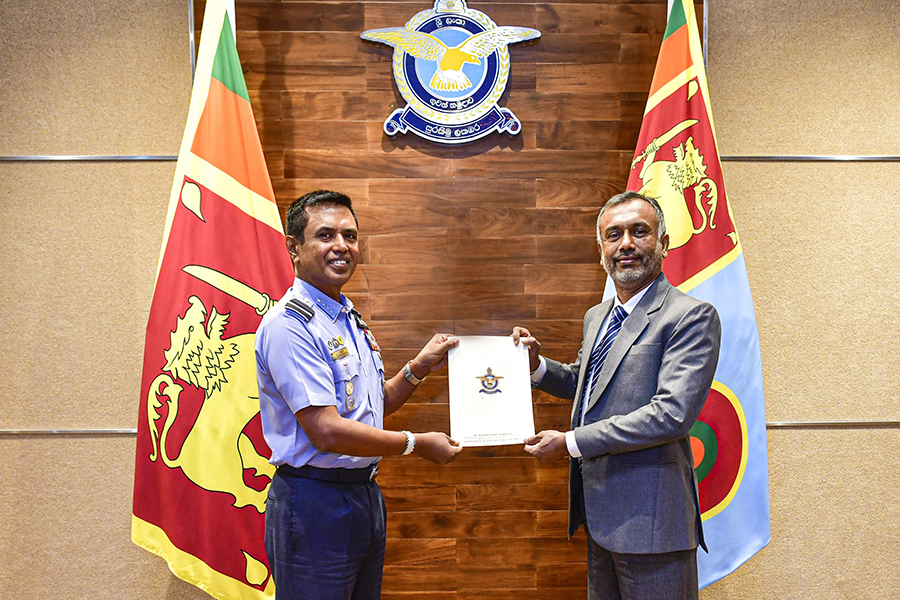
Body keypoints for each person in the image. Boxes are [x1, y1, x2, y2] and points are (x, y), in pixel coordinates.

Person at [512, 191, 721, 600]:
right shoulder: (598, 316)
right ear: (601, 250)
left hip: (653, 524)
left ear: (663, 243)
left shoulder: (691, 316)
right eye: (613, 235)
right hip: (600, 517)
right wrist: (535, 366)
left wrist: (570, 442)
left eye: (639, 232)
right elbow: (586, 385)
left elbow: (671, 414)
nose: (625, 244)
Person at [256, 190, 463, 600]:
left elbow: (370, 408)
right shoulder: (291, 325)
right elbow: (327, 431)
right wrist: (415, 444)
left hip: (361, 495)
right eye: (326, 235)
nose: (341, 247)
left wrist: (417, 368)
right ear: (294, 248)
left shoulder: (346, 317)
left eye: (350, 236)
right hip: (314, 500)